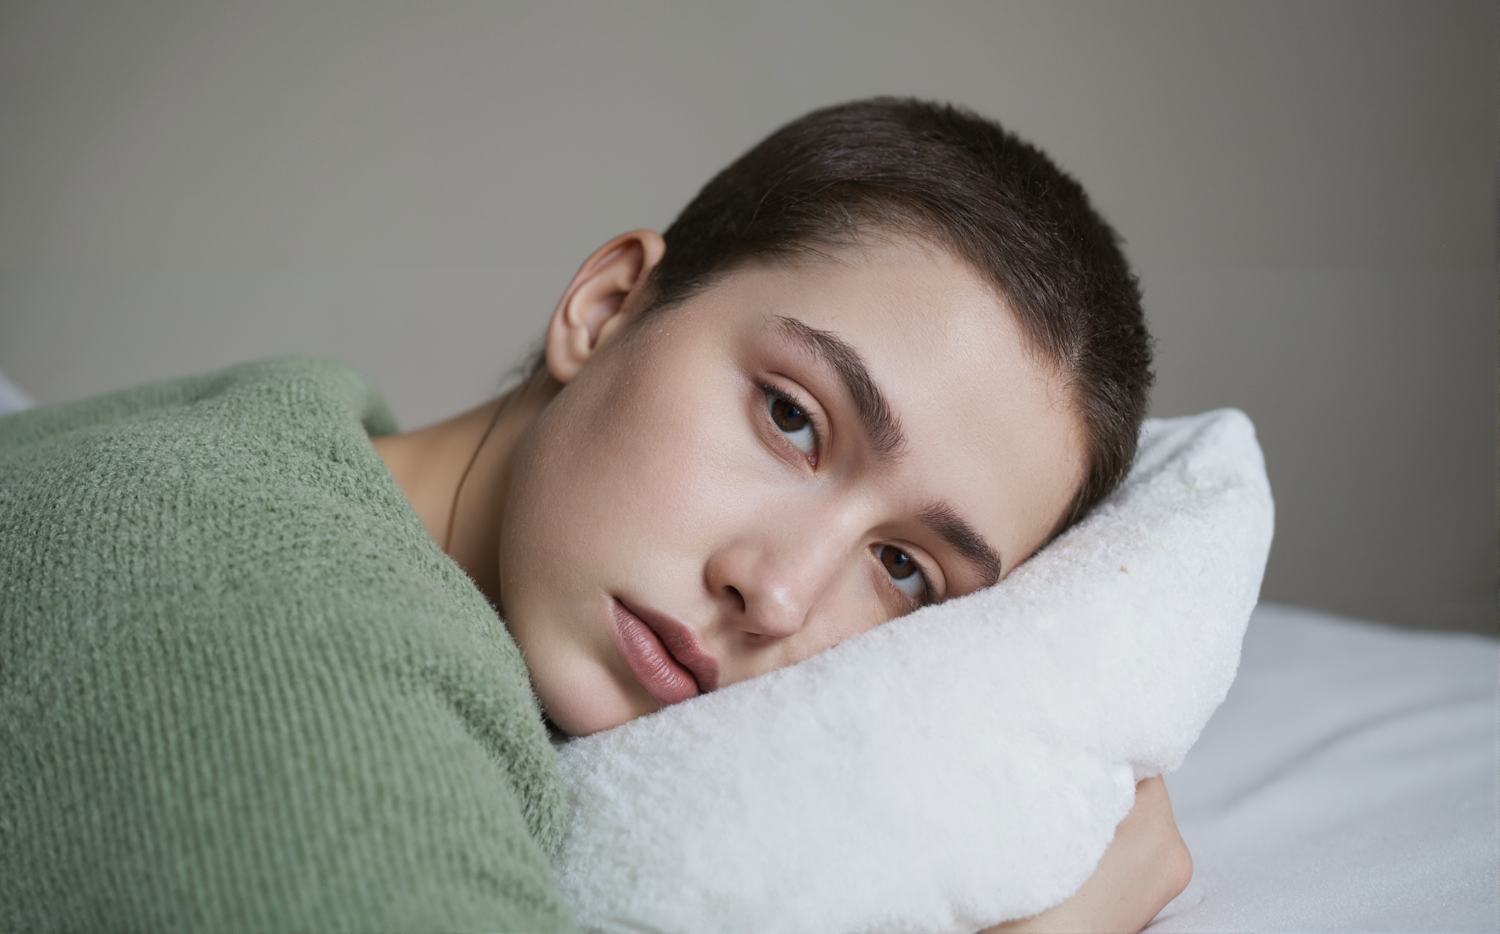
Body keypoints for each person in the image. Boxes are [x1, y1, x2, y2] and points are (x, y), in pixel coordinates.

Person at [0, 98, 1184, 932]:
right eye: (790, 417)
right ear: (608, 304)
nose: (775, 594)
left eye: (906, 569)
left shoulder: (310, 453)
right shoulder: (290, 639)